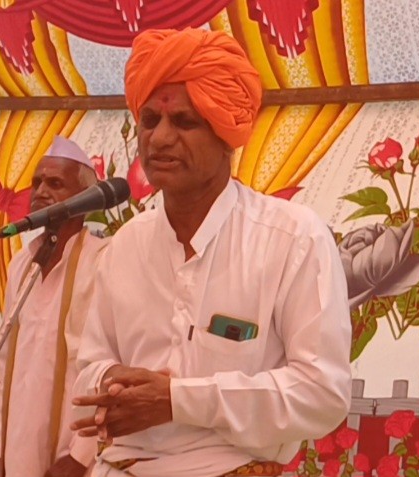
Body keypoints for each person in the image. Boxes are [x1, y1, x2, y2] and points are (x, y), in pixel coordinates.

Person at [71, 28, 352, 477]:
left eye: (184, 122)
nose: (160, 139)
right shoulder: (125, 245)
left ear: (225, 136)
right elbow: (89, 363)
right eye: (150, 120)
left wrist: (177, 400)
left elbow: (322, 394)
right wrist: (110, 383)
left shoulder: (293, 238)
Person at [0, 136, 108, 477]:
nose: (41, 191)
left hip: (74, 460)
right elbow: (4, 365)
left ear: (86, 198)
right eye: (37, 182)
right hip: (16, 451)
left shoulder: (103, 261)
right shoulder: (21, 264)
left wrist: (80, 456)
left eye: (55, 184)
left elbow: (109, 365)